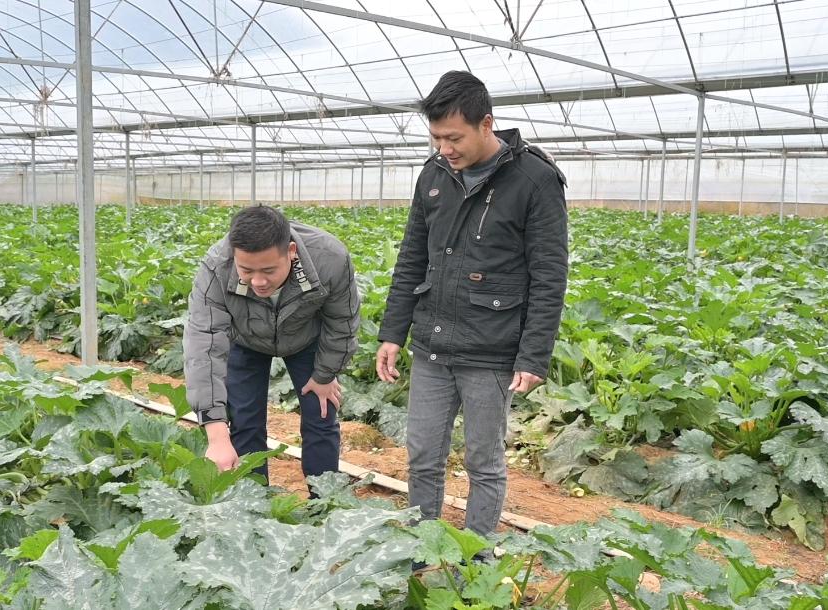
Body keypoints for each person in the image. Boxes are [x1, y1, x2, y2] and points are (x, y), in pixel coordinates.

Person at [376, 71, 568, 535]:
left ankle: (477, 557)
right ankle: (423, 547)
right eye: (437, 137)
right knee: (423, 455)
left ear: (487, 124)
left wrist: (533, 355)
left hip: (492, 349)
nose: (445, 148)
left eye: (454, 137)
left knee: (484, 462)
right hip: (433, 345)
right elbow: (411, 259)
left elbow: (549, 277)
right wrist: (391, 333)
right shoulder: (434, 174)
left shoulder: (534, 181)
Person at [184, 205, 360, 480]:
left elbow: (342, 322)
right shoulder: (217, 267)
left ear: (291, 252)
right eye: (246, 270)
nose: (258, 281)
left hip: (305, 338)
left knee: (321, 415)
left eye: (268, 270)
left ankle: (325, 503)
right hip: (245, 339)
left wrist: (326, 374)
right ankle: (253, 505)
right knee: (244, 421)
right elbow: (203, 344)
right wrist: (216, 433)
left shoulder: (330, 258)